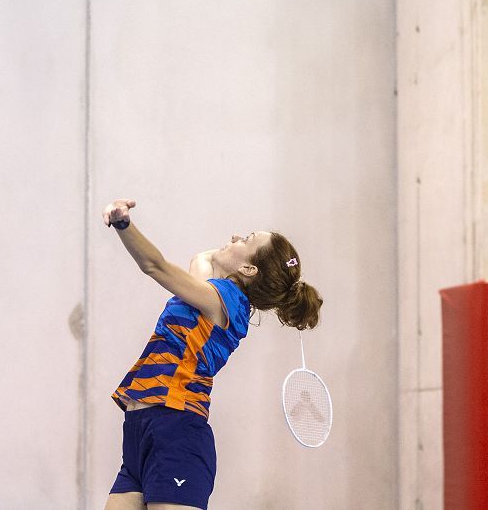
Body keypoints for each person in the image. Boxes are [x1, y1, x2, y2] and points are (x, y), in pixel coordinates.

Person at [101, 198, 323, 510]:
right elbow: (200, 259)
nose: (235, 236)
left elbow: (155, 266)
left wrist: (123, 224)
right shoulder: (209, 294)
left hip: (176, 431)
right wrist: (227, 259)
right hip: (140, 430)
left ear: (248, 268)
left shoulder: (227, 302)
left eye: (246, 239)